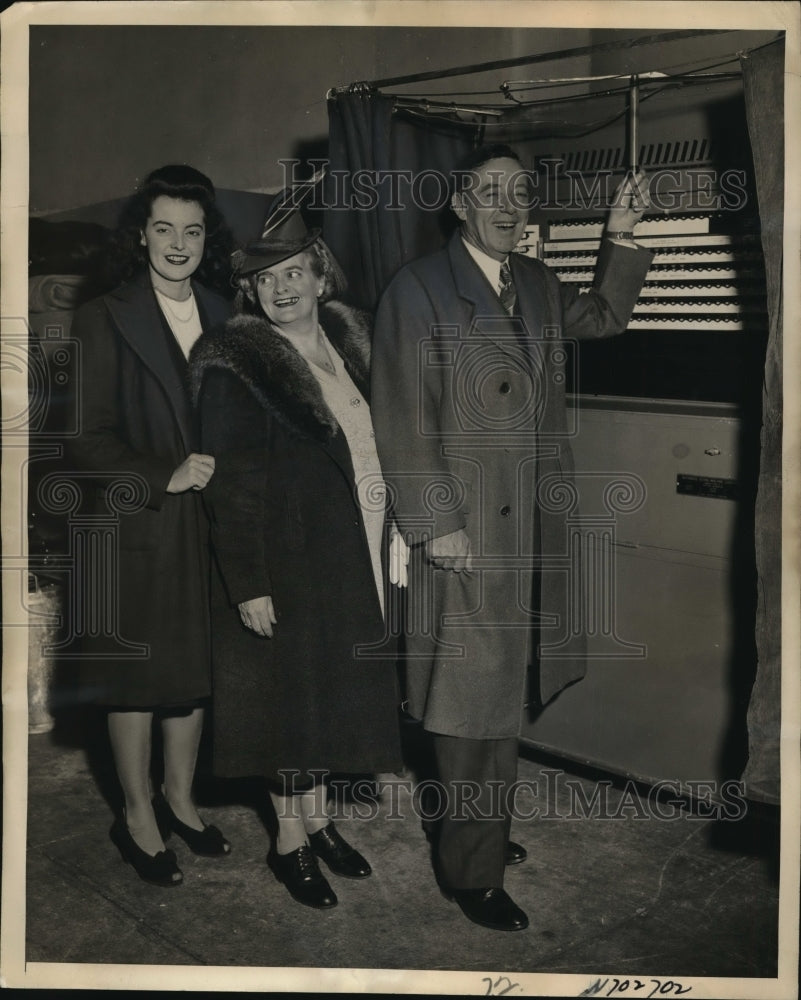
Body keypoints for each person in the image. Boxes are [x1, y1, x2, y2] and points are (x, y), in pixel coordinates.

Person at [370, 143, 653, 931]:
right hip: (462, 530)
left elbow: (602, 318)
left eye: (519, 191)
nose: (507, 204)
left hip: (527, 526)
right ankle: (474, 872)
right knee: (467, 707)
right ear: (458, 204)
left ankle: (479, 831)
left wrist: (619, 235)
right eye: (489, 191)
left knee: (497, 695)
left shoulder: (532, 280)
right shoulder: (418, 288)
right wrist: (436, 525)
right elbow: (401, 414)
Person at [189, 198, 405, 910]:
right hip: (285, 559)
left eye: (292, 273)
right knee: (289, 704)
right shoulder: (238, 367)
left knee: (325, 694)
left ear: (321, 277)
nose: (280, 288)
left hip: (354, 547)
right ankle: (288, 842)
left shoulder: (351, 347)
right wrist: (248, 583)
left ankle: (317, 821)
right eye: (264, 280)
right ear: (250, 293)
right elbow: (231, 488)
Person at [67, 165, 234, 887]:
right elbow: (84, 439)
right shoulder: (103, 316)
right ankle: (136, 814)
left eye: (191, 230)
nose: (177, 243)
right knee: (136, 678)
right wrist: (164, 474)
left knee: (193, 673)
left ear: (206, 238)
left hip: (210, 522)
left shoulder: (226, 313)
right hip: (137, 520)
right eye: (164, 228)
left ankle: (180, 799)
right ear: (141, 235)